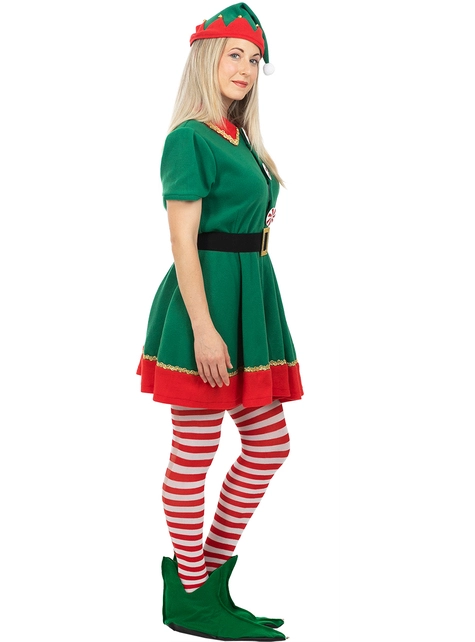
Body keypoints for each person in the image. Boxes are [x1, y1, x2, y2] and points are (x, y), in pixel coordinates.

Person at [137, 3, 303, 639]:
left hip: (250, 300)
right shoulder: (189, 138)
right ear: (207, 58)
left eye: (255, 59)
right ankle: (190, 592)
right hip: (204, 304)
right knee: (196, 450)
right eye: (234, 54)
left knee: (269, 444)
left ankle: (205, 581)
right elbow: (183, 241)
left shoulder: (242, 140)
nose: (246, 69)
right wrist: (204, 329)